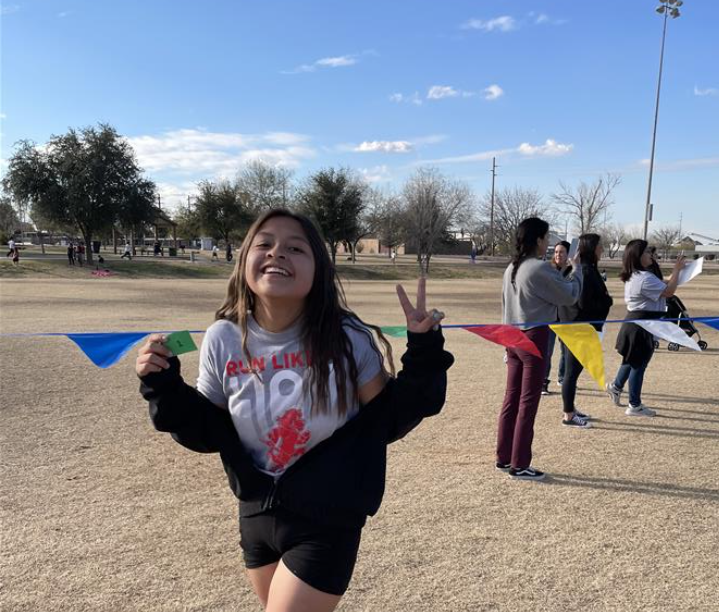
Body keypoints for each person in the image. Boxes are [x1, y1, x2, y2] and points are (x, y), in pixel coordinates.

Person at [136, 209, 454, 610]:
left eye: (296, 248)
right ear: (244, 260)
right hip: (256, 513)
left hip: (328, 515)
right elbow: (206, 428)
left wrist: (423, 350)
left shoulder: (346, 337)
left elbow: (387, 418)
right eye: (264, 244)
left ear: (318, 269)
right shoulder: (223, 337)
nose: (278, 254)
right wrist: (161, 383)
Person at [498, 218, 582, 480]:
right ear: (537, 240)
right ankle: (520, 463)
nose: (548, 243)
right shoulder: (537, 268)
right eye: (546, 238)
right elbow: (569, 295)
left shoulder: (512, 266)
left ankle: (503, 457)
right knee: (527, 401)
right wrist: (576, 270)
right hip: (533, 336)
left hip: (511, 335)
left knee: (512, 398)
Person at [606, 240, 686, 417]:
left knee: (631, 360)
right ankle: (634, 405)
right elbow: (669, 292)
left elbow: (665, 285)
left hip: (638, 323)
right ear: (638, 256)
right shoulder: (644, 278)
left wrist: (675, 275)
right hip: (641, 325)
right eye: (647, 252)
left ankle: (616, 387)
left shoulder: (637, 275)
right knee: (638, 365)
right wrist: (677, 270)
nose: (651, 255)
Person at [558, 234, 613, 428]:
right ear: (591, 249)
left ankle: (570, 408)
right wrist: (607, 300)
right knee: (571, 373)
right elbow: (582, 302)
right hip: (578, 329)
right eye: (600, 246)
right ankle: (569, 415)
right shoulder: (585, 271)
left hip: (576, 327)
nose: (602, 250)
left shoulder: (584, 269)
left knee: (573, 372)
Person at [541, 240, 572, 395]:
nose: (558, 255)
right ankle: (543, 382)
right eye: (556, 252)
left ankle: (563, 378)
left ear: (569, 254)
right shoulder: (548, 269)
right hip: (550, 317)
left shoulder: (573, 270)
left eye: (562, 252)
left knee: (566, 351)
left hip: (566, 317)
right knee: (547, 351)